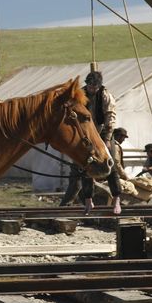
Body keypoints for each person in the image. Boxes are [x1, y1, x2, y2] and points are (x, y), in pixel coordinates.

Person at [59, 70, 121, 214]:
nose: (92, 89)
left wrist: (106, 138)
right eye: (90, 86)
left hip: (102, 133)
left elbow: (110, 118)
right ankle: (88, 201)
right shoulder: (81, 94)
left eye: (95, 87)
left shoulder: (106, 96)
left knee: (111, 167)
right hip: (86, 135)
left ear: (99, 86)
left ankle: (117, 199)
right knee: (85, 167)